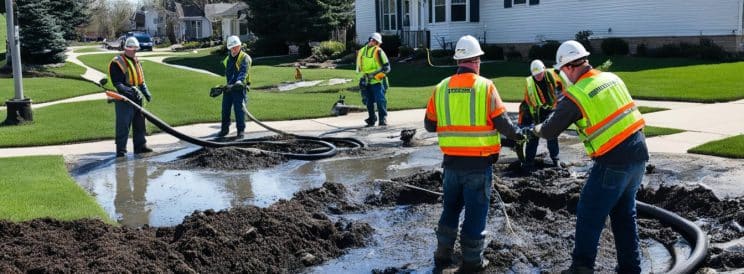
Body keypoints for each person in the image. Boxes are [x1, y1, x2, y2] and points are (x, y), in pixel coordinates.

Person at [527, 40, 649, 273]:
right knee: (624, 213)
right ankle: (630, 268)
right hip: (639, 154)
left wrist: (533, 129)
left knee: (589, 211)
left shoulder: (577, 95)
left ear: (570, 67)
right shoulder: (612, 78)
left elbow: (551, 129)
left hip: (613, 159)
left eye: (562, 71)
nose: (562, 76)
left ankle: (581, 268)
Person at [424, 35, 525, 273]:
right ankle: (472, 261)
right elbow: (503, 124)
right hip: (479, 165)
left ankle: (442, 255)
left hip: (450, 165)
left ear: (458, 60)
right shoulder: (485, 86)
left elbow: (429, 125)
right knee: (476, 214)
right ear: (477, 60)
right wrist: (519, 135)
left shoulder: (441, 87)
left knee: (450, 209)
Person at [109, 37, 153, 157]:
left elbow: (140, 80)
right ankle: (121, 151)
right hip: (124, 99)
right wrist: (131, 91)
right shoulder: (117, 62)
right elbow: (118, 83)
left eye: (136, 49)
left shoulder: (135, 60)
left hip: (137, 98)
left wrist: (145, 91)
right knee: (123, 125)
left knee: (139, 124)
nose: (135, 51)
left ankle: (140, 146)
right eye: (133, 49)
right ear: (127, 49)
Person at [518, 59, 563, 169]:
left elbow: (563, 88)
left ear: (544, 70)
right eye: (535, 75)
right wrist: (525, 122)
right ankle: (528, 162)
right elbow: (526, 103)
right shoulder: (530, 83)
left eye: (539, 74)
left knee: (551, 135)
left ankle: (555, 160)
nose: (538, 76)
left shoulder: (553, 76)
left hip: (552, 110)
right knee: (532, 137)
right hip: (537, 113)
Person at [218, 35, 252, 139]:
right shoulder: (228, 59)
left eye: (236, 47)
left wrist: (238, 81)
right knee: (225, 109)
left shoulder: (244, 58)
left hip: (239, 88)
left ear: (240, 46)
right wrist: (224, 87)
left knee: (239, 110)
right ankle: (224, 130)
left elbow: (243, 71)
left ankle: (240, 131)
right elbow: (229, 74)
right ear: (229, 48)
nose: (234, 49)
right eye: (232, 47)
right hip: (230, 88)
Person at [356, 32, 391, 127]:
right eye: (373, 40)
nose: (374, 42)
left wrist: (375, 76)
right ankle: (372, 118)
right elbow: (358, 68)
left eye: (376, 41)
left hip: (378, 81)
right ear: (370, 40)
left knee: (380, 100)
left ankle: (383, 119)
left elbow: (387, 68)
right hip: (366, 81)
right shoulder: (361, 51)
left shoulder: (379, 51)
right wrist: (361, 79)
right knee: (368, 101)